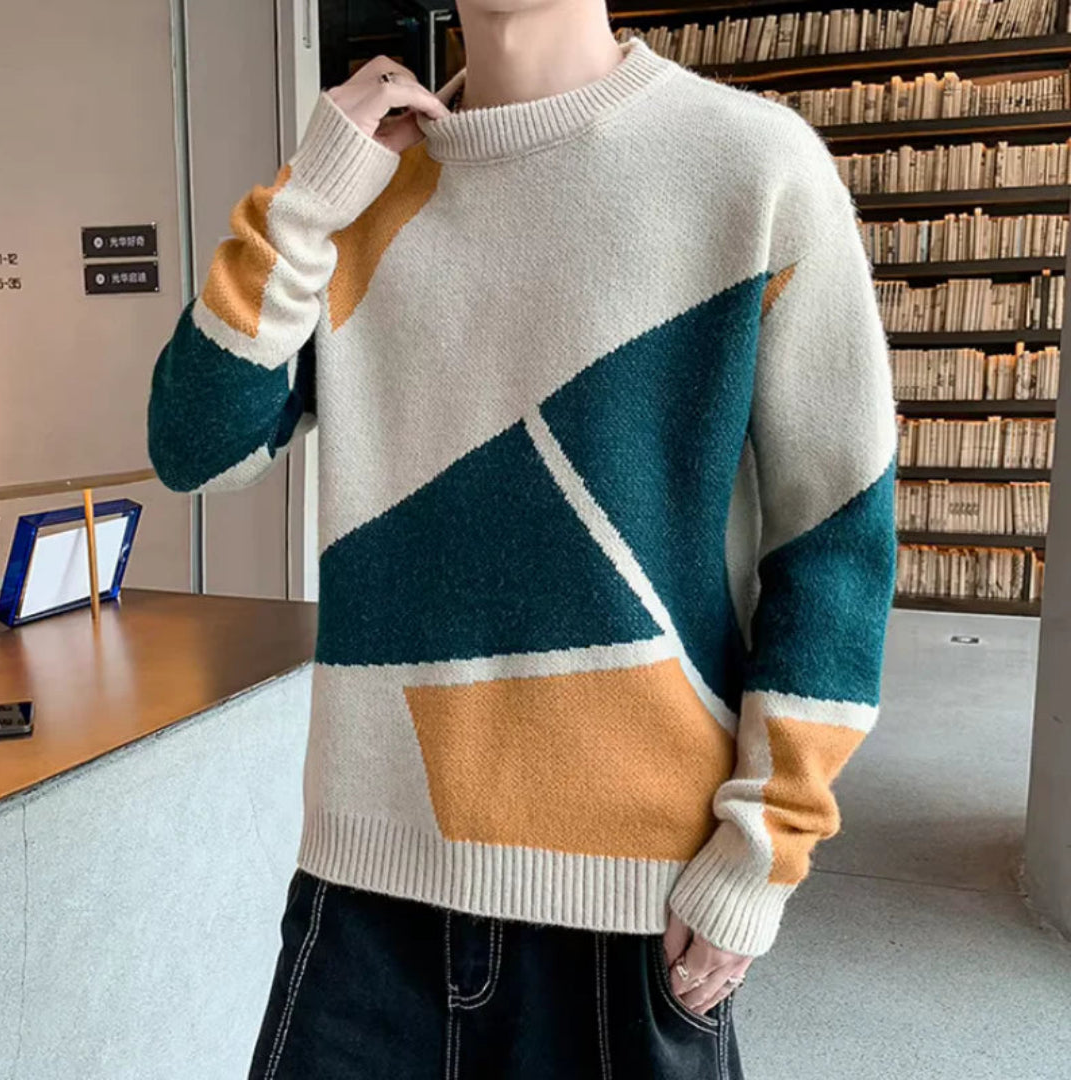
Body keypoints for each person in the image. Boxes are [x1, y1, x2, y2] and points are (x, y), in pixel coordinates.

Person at [146, 2, 898, 1077]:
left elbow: (837, 535)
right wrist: (305, 200)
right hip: (368, 890)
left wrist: (766, 845)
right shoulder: (359, 185)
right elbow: (195, 447)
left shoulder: (752, 163)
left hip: (631, 910)